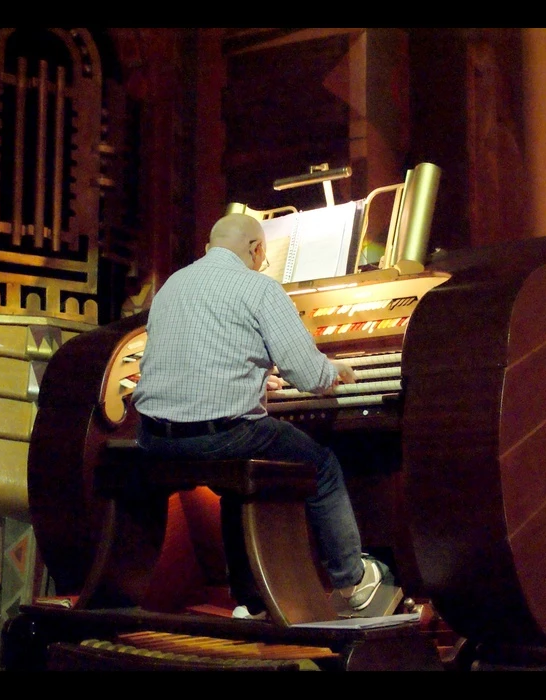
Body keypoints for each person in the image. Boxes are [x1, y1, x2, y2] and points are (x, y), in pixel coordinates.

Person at [131, 212, 394, 620]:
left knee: (242, 476)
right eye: (263, 257)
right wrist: (335, 372)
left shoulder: (171, 287)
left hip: (153, 439)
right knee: (322, 466)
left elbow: (189, 358)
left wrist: (250, 373)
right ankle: (352, 583)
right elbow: (308, 374)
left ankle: (249, 600)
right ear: (256, 250)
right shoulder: (259, 289)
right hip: (218, 436)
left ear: (208, 249)